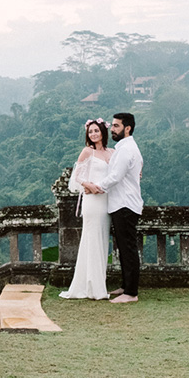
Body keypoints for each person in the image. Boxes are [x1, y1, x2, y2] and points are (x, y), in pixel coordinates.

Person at [82, 113, 143, 304]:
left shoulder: (126, 150)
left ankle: (131, 293)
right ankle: (126, 286)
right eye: (113, 125)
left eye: (116, 126)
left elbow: (115, 176)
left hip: (125, 204)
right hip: (120, 203)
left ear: (127, 128)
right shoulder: (123, 148)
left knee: (128, 248)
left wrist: (96, 187)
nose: (112, 129)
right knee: (124, 248)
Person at [60, 118, 114, 300]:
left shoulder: (111, 152)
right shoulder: (87, 152)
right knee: (91, 239)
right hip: (92, 201)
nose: (93, 134)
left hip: (106, 201)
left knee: (102, 241)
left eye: (96, 131)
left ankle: (98, 283)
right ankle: (91, 287)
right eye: (90, 132)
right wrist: (89, 185)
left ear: (103, 132)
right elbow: (76, 178)